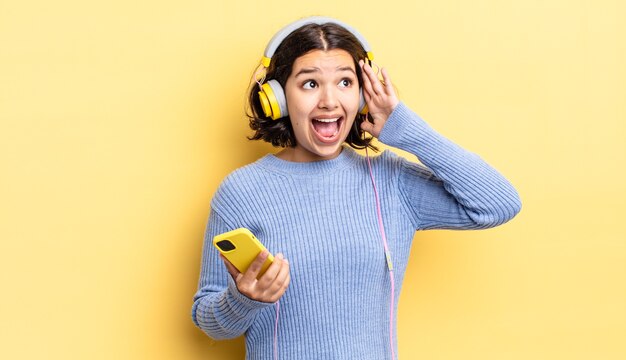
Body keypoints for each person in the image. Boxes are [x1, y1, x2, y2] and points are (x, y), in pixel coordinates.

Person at [191, 16, 521, 360]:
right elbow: (209, 321)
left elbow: (497, 203)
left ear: (362, 95)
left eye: (345, 82)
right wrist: (244, 299)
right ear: (278, 98)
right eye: (309, 84)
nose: (330, 101)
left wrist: (404, 127)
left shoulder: (391, 182)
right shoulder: (242, 191)